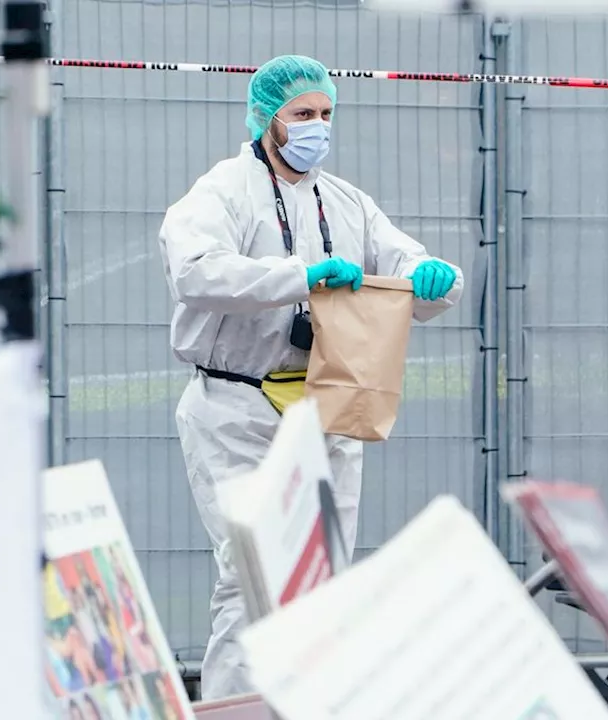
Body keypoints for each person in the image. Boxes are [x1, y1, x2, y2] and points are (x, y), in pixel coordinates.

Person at [157, 53, 464, 700]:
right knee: (253, 575)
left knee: (321, 582)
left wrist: (436, 276)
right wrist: (300, 276)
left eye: (325, 114)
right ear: (266, 118)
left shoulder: (346, 202)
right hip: (236, 406)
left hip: (327, 406)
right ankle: (231, 713)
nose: (316, 127)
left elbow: (415, 270)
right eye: (302, 115)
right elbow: (194, 270)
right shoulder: (223, 191)